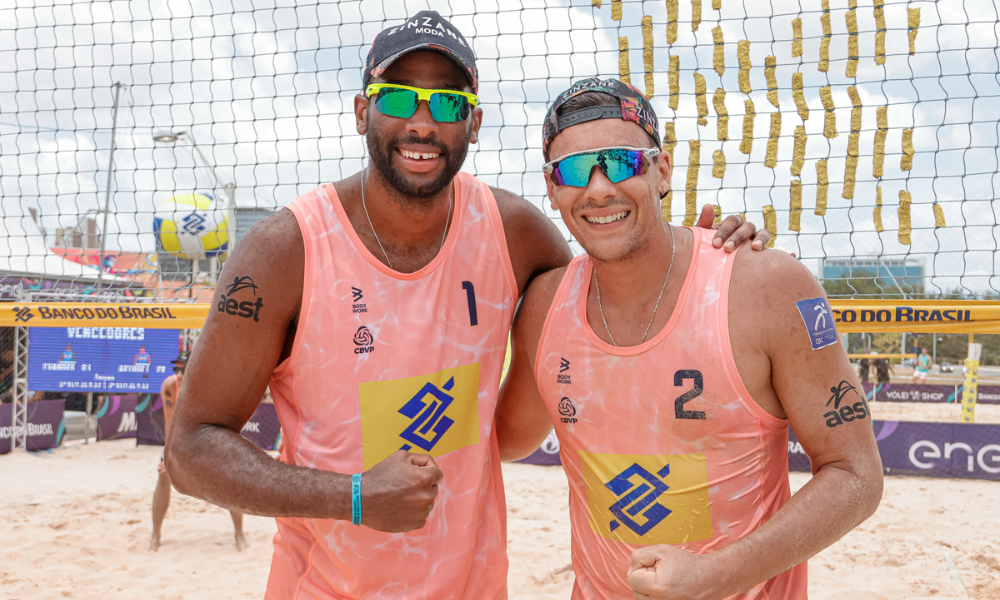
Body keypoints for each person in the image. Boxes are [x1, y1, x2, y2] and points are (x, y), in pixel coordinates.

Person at [164, 12, 768, 599]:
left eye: (448, 103)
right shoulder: (283, 252)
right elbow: (190, 449)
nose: (423, 122)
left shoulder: (515, 232)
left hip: (477, 585)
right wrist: (350, 495)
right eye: (398, 98)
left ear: (473, 123)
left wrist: (706, 254)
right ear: (360, 111)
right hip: (325, 585)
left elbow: (616, 281)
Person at [495, 79, 884, 599]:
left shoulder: (765, 285)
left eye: (621, 162)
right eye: (572, 170)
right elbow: (503, 438)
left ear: (661, 172)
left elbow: (856, 476)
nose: (598, 188)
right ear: (552, 188)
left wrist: (717, 574)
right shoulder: (545, 306)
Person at [150, 351, 249, 552]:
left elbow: (220, 425)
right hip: (180, 440)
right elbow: (170, 426)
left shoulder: (210, 388)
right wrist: (169, 457)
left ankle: (239, 534)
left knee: (229, 479)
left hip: (207, 437)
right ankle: (155, 535)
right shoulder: (171, 386)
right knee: (163, 476)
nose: (178, 374)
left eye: (183, 370)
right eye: (176, 369)